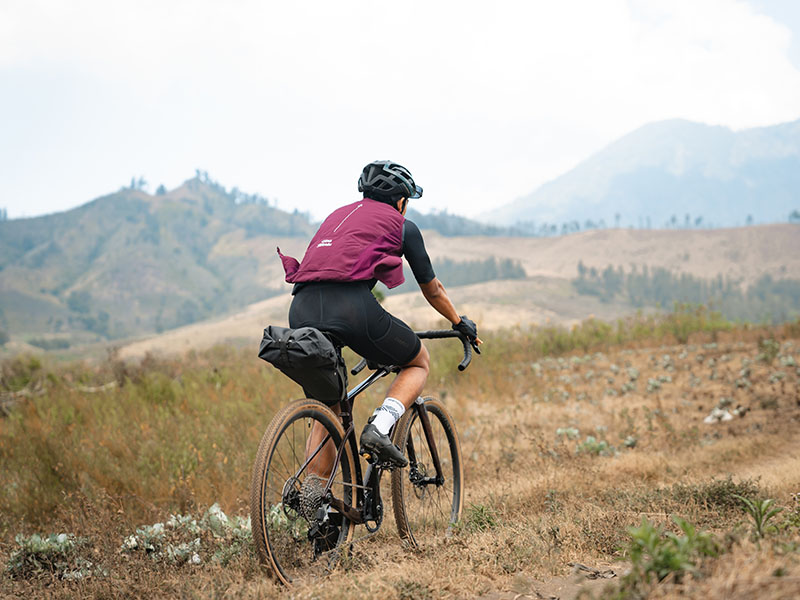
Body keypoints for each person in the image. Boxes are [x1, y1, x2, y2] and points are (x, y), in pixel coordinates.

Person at [278, 160, 481, 472]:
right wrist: (458, 322)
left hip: (300, 308)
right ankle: (381, 426)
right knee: (417, 361)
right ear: (401, 201)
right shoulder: (402, 226)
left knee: (329, 406)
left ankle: (320, 502)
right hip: (350, 309)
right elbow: (433, 289)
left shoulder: (336, 217)